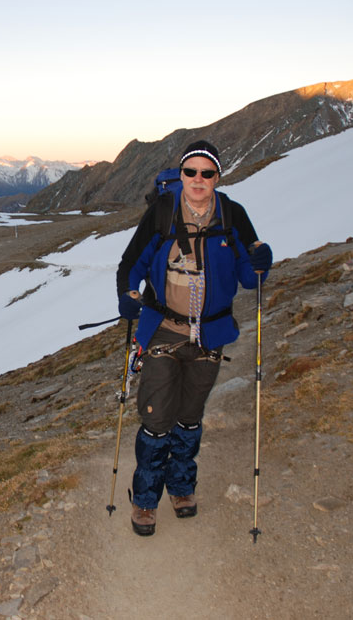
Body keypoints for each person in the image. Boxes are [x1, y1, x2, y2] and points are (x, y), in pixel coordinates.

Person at [115, 140, 272, 536]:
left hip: (210, 334)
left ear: (218, 177)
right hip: (164, 330)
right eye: (191, 172)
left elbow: (247, 275)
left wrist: (260, 263)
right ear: (181, 175)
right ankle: (145, 500)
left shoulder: (233, 215)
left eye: (207, 173)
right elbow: (130, 263)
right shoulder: (163, 212)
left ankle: (182, 488)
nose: (198, 180)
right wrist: (129, 295)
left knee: (189, 417)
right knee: (156, 417)